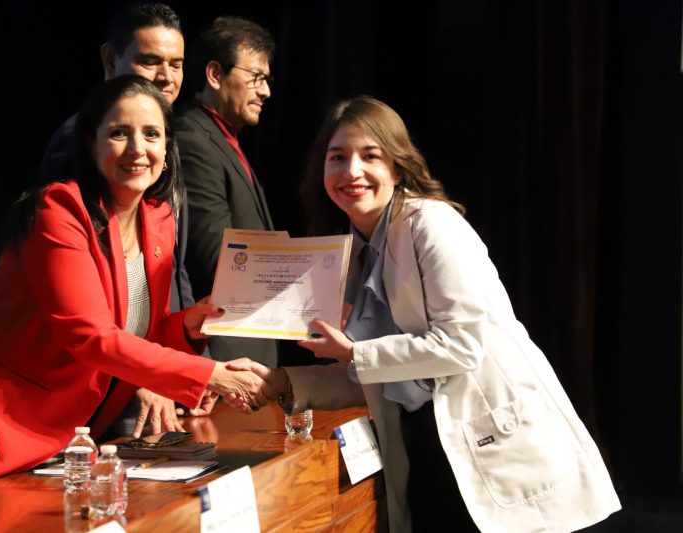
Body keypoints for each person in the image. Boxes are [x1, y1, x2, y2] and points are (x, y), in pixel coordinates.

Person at [229, 97, 621, 532]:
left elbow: (460, 346)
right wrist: (282, 382)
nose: (352, 171)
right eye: (337, 157)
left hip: (490, 441)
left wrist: (355, 353)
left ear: (397, 168)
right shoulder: (349, 251)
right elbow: (376, 371)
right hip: (428, 446)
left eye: (370, 156)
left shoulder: (432, 223)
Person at [0, 76, 267, 493]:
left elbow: (137, 334)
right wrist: (210, 374)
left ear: (167, 148)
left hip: (65, 444)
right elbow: (91, 337)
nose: (138, 148)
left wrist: (186, 327)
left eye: (151, 134)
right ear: (91, 144)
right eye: (119, 133)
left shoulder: (158, 217)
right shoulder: (59, 210)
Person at [38, 2, 195, 319]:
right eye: (150, 61)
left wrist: (189, 336)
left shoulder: (165, 139)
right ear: (111, 59)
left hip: (157, 333)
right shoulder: (76, 140)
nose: (166, 77)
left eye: (176, 65)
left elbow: (174, 266)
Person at [177, 16, 278, 368]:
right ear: (215, 74)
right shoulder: (193, 140)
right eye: (256, 77)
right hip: (223, 357)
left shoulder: (222, 139)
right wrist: (303, 277)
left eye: (266, 80)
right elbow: (218, 260)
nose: (265, 91)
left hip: (247, 348)